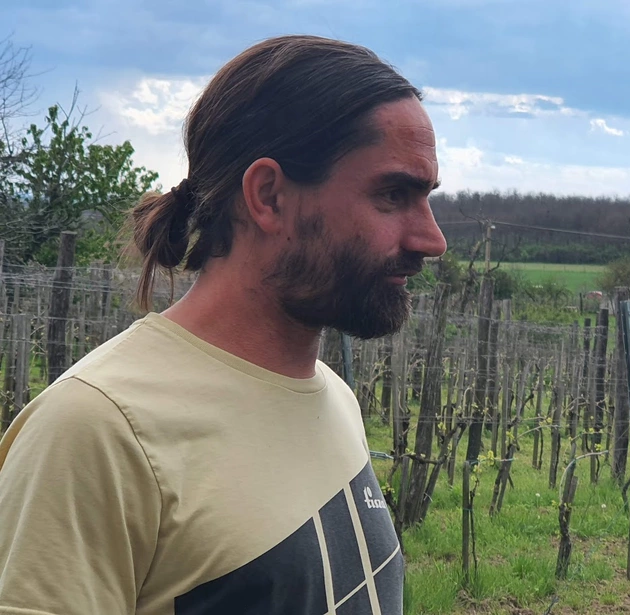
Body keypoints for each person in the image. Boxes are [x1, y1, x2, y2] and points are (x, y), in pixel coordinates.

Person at [0, 35, 447, 615]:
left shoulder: (333, 397)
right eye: (392, 195)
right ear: (268, 196)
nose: (432, 239)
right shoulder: (98, 430)